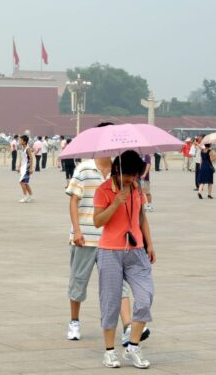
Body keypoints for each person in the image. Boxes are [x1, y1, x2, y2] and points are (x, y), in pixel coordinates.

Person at [65, 128, 149, 346]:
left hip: (114, 243)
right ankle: (74, 321)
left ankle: (128, 326)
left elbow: (138, 212)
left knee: (120, 287)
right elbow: (73, 201)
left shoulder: (120, 171)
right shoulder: (84, 168)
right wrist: (77, 230)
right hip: (86, 236)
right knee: (79, 280)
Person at [93, 151, 156, 369]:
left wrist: (149, 243)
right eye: (128, 175)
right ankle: (109, 351)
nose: (131, 179)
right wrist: (115, 203)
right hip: (110, 251)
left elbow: (141, 217)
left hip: (136, 250)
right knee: (110, 302)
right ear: (117, 170)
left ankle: (133, 347)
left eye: (134, 175)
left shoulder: (137, 188)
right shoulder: (103, 190)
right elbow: (97, 221)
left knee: (145, 296)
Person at [18, 135, 35, 203]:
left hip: (26, 168)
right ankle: (30, 196)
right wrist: (19, 166)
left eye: (21, 140)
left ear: (24, 141)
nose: (20, 141)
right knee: (25, 183)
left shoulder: (27, 149)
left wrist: (31, 168)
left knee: (22, 182)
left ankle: (25, 197)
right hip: (23, 167)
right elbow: (22, 158)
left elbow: (31, 158)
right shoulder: (22, 148)